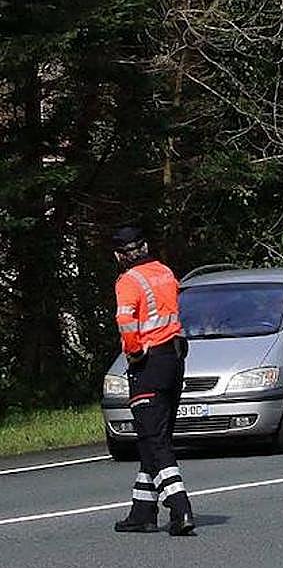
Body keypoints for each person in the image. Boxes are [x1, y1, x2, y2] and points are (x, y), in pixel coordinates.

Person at [111, 226, 196, 536]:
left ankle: (179, 506)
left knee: (155, 439)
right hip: (174, 360)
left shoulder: (128, 281)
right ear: (144, 246)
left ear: (119, 255)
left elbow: (126, 322)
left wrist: (133, 353)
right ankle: (143, 511)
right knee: (153, 437)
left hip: (148, 363)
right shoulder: (164, 271)